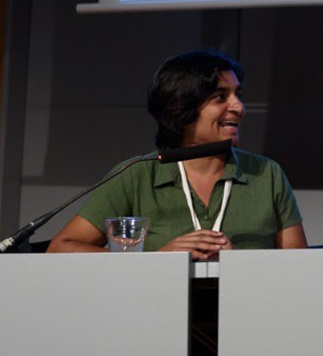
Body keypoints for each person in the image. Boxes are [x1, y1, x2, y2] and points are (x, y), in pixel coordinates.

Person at [49, 49, 307, 256]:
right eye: (220, 97)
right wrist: (160, 259)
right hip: (156, 314)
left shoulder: (266, 174)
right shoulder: (137, 174)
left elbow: (297, 268)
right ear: (182, 108)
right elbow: (62, 248)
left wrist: (237, 265)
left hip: (246, 312)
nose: (238, 107)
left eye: (238, 95)